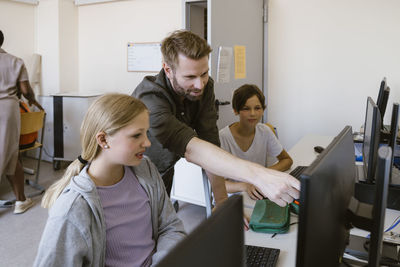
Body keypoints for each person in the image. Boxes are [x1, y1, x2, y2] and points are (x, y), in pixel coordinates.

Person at [133, 30, 299, 208]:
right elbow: (192, 149)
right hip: (133, 178)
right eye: (190, 77)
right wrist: (259, 176)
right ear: (168, 69)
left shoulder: (205, 87)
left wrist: (221, 203)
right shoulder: (150, 98)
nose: (200, 84)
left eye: (204, 73)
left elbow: (210, 146)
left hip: (164, 172)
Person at [34, 94, 186, 267]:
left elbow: (170, 226)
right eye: (137, 135)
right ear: (103, 139)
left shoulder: (146, 169)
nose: (147, 143)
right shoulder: (73, 209)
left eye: (146, 133)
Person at [219, 84, 293, 200]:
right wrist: (246, 185)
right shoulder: (223, 137)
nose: (253, 113)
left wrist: (261, 175)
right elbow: (219, 183)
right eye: (246, 108)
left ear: (263, 110)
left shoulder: (265, 131)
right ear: (235, 110)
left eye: (257, 108)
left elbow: (287, 160)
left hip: (258, 191)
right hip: (233, 197)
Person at [0, 30, 44, 214]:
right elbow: (26, 90)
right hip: (7, 109)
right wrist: (33, 100)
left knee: (9, 155)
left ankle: (21, 200)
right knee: (9, 154)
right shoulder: (15, 61)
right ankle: (20, 201)